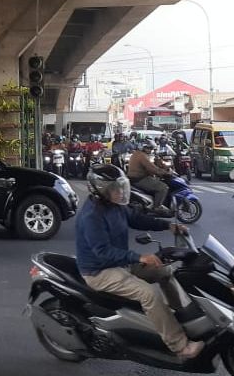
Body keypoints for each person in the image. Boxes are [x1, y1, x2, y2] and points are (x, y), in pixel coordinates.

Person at [76, 164, 204, 360]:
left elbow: (137, 219)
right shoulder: (92, 216)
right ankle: (180, 346)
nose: (120, 192)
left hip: (120, 262)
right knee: (149, 294)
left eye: (121, 187)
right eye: (114, 189)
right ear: (101, 191)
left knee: (164, 271)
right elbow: (102, 252)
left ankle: (180, 314)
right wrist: (139, 257)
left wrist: (168, 226)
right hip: (100, 271)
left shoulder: (115, 206)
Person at [127, 140, 171, 212]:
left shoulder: (137, 154)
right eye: (149, 148)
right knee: (163, 187)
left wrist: (161, 166)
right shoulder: (142, 156)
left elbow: (151, 166)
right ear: (143, 148)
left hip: (135, 178)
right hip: (139, 179)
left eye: (151, 148)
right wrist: (164, 173)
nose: (150, 150)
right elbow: (153, 169)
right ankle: (157, 207)